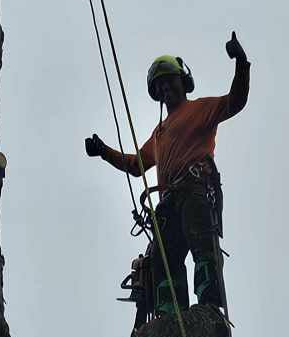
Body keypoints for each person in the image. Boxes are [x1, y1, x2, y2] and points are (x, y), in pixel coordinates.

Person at [86, 32, 249, 313]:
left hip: (195, 190)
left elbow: (235, 101)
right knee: (165, 261)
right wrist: (104, 151)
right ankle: (170, 316)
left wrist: (241, 62)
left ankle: (208, 307)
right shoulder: (159, 134)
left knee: (202, 246)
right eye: (159, 86)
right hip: (169, 203)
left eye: (168, 82)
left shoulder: (200, 109)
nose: (164, 89)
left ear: (182, 82)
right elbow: (135, 165)